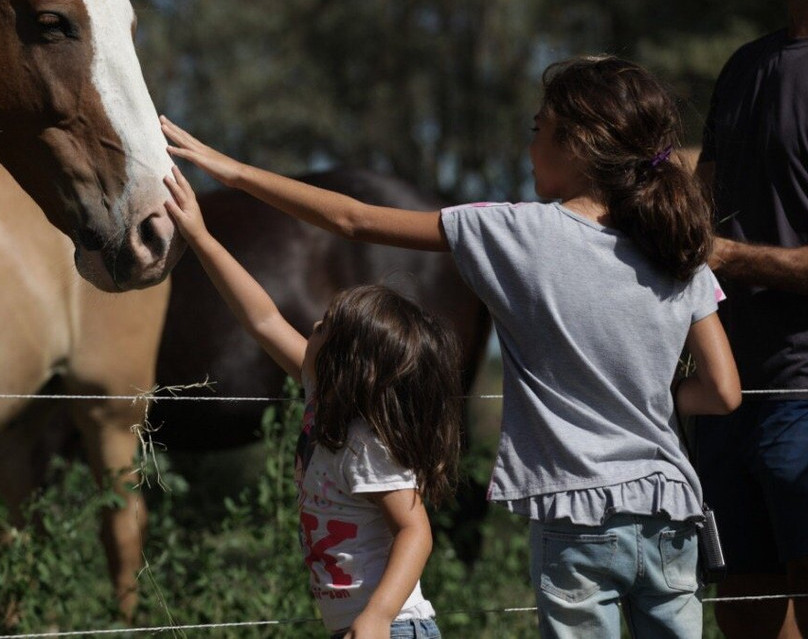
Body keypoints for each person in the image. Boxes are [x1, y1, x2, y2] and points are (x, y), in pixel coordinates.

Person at [162, 53, 742, 639]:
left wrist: (229, 171)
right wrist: (649, 392)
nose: (530, 143)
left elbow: (354, 219)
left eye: (536, 128)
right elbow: (722, 392)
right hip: (672, 509)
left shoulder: (518, 231)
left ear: (578, 143)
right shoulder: (677, 249)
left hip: (576, 515)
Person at [162, 165, 464, 639]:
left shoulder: (368, 444)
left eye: (324, 327)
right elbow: (260, 317)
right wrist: (199, 235)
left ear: (349, 362)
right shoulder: (321, 391)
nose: (313, 327)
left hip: (394, 629)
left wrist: (378, 616)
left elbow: (415, 532)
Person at [693, 0, 808, 639]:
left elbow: (719, 246)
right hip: (728, 399)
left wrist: (727, 260)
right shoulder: (743, 69)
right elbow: (702, 208)